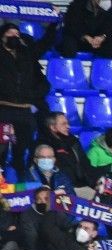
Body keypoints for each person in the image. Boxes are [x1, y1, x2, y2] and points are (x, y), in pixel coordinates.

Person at [0, 24, 54, 181]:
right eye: (10, 33)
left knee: (24, 150)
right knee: (1, 150)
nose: (14, 36)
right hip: (3, 109)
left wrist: (54, 24)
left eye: (17, 33)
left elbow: (44, 44)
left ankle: (22, 184)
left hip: (24, 110)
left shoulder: (27, 54)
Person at [37, 113, 93, 192]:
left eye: (68, 123)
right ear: (52, 127)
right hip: (61, 188)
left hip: (82, 185)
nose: (68, 126)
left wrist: (98, 180)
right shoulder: (45, 146)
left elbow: (86, 164)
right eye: (64, 124)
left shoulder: (73, 142)